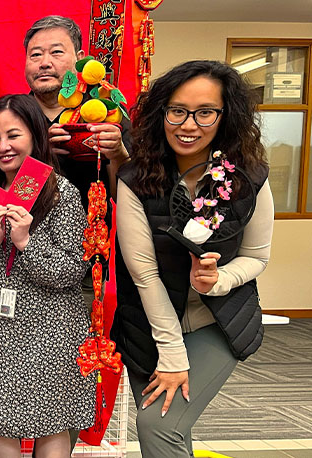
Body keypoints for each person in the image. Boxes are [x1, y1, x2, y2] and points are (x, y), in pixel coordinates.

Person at [111, 60, 273, 457]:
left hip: (216, 322)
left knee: (157, 425)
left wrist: (218, 280)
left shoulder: (248, 176)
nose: (188, 125)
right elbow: (144, 274)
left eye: (205, 113)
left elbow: (256, 256)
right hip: (148, 326)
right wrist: (171, 354)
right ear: (161, 112)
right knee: (170, 432)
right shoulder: (136, 177)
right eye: (178, 111)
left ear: (225, 116)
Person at [0, 94, 94, 457]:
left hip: (52, 327)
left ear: (35, 136)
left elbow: (72, 270)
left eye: (14, 135)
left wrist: (26, 240)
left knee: (52, 422)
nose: (3, 146)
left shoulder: (63, 195)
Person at [0, 15, 130, 202]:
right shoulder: (12, 114)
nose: (44, 63)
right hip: (23, 228)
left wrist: (118, 155)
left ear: (79, 59)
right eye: (36, 55)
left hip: (91, 228)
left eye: (56, 52)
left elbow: (129, 199)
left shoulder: (103, 109)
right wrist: (39, 152)